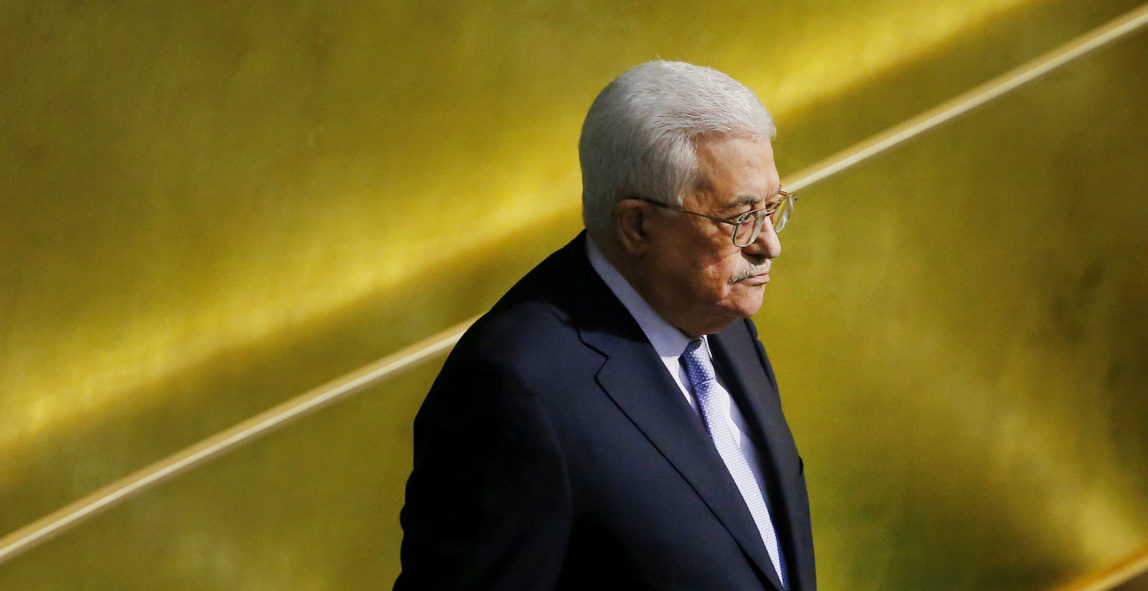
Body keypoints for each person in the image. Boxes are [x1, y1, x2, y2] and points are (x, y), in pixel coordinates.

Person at [395, 60, 815, 590]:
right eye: (739, 218)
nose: (768, 243)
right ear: (638, 225)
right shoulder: (514, 390)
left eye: (773, 207)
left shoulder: (718, 317)